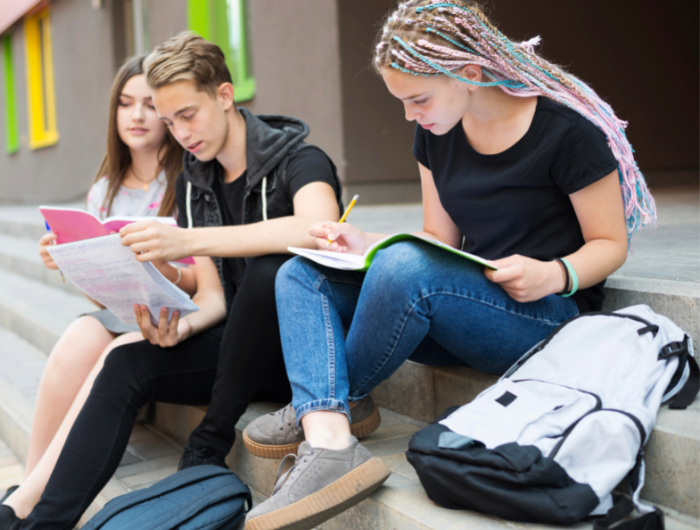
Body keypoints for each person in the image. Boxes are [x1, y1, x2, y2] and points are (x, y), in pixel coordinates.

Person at [242, 1, 657, 529]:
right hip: (457, 305)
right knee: (300, 273)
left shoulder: (566, 133)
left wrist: (553, 273)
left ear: (469, 73)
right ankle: (329, 434)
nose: (410, 116)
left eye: (418, 99)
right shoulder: (436, 133)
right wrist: (361, 241)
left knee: (403, 270)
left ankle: (325, 404)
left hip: (544, 316)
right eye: (402, 103)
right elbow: (438, 239)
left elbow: (609, 243)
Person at [0, 32, 348, 530]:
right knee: (123, 359)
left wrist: (190, 243)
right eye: (169, 121)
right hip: (235, 349)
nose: (180, 133)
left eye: (187, 114)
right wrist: (179, 330)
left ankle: (208, 442)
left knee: (273, 270)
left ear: (224, 96)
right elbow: (212, 298)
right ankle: (43, 520)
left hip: (300, 354)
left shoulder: (301, 158)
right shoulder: (195, 179)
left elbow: (318, 230)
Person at [0, 55, 191, 521]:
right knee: (79, 334)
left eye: (149, 104)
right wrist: (71, 263)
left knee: (111, 350)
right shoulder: (104, 191)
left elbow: (199, 276)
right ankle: (28, 485)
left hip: (179, 313)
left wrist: (155, 259)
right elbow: (101, 299)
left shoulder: (188, 177)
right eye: (126, 104)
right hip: (126, 309)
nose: (138, 115)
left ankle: (29, 502)